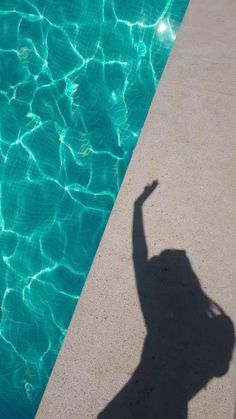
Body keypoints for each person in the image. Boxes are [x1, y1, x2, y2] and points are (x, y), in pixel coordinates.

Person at [98, 181, 235, 419]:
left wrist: (137, 206)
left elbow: (138, 256)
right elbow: (219, 367)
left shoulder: (160, 321)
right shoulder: (217, 329)